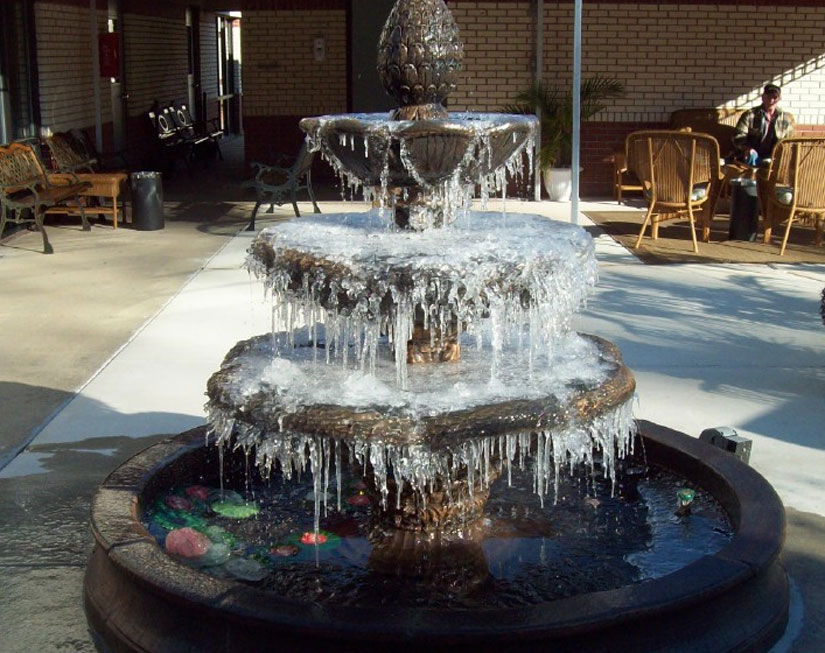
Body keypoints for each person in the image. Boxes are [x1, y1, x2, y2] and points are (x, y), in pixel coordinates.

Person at [733, 83, 794, 166]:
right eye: (769, 96)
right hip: (753, 155)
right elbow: (738, 136)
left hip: (774, 157)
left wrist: (782, 153)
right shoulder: (750, 115)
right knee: (751, 156)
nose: (771, 100)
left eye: (775, 97)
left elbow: (790, 141)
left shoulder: (785, 118)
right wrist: (746, 149)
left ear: (779, 99)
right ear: (763, 97)